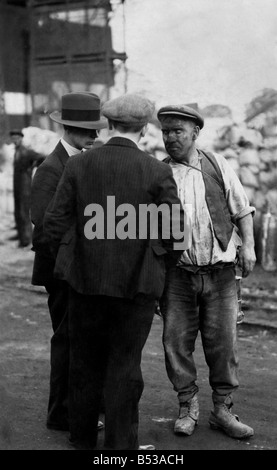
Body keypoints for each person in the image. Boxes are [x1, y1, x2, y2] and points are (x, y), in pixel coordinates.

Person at [43, 93, 186, 450]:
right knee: (124, 367)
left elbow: (54, 224)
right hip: (136, 287)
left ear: (107, 124)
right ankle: (120, 449)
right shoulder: (157, 170)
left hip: (84, 283)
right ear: (143, 128)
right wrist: (154, 267)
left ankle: (82, 440)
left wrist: (74, 259)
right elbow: (174, 236)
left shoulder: (79, 166)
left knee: (84, 363)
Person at [157, 104, 256, 440]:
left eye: (178, 131)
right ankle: (188, 406)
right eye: (166, 131)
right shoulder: (159, 173)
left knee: (223, 345)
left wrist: (251, 247)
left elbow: (242, 209)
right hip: (178, 277)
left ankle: (223, 410)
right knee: (175, 343)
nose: (170, 138)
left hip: (222, 275)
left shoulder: (217, 165)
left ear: (195, 133)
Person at [30, 92, 107, 432]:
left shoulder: (79, 161)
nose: (94, 135)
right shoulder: (51, 168)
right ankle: (60, 413)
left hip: (77, 267)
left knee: (80, 339)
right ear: (71, 128)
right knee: (65, 340)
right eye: (88, 130)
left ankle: (78, 407)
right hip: (61, 270)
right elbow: (44, 226)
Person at [9, 129, 44, 247]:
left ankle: (26, 239)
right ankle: (21, 235)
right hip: (17, 185)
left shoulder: (27, 151)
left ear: (21, 139)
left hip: (25, 186)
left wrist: (33, 167)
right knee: (18, 211)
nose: (15, 140)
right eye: (13, 138)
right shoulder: (17, 151)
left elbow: (42, 157)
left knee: (24, 212)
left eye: (17, 138)